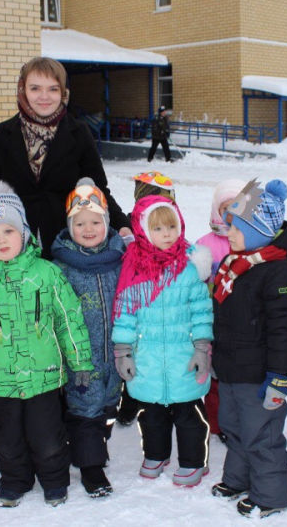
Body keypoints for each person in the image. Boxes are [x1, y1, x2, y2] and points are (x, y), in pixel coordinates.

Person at [0, 179, 93, 508]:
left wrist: (80, 361)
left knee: (47, 437)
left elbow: (69, 319)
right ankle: (15, 481)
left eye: (8, 231)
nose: (1, 240)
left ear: (24, 233)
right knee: (9, 439)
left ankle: (55, 481)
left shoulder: (47, 274)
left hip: (43, 377)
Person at [0, 56, 130, 258]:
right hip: (14, 246)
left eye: (53, 89)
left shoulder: (79, 132)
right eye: (35, 88)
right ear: (23, 90)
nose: (44, 96)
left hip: (66, 244)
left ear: (63, 92)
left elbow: (97, 188)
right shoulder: (4, 134)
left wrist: (123, 225)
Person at [209, 179, 287, 518]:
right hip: (232, 370)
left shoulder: (278, 274)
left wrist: (279, 376)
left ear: (261, 230)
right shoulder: (233, 266)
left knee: (262, 434)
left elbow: (282, 333)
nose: (228, 233)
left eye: (237, 227)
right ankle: (238, 478)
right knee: (234, 428)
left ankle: (272, 495)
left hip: (260, 374)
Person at [112, 194, 213, 487]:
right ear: (143, 231)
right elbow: (125, 315)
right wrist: (123, 352)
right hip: (149, 358)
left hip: (185, 356)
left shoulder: (190, 265)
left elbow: (201, 311)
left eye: (171, 226)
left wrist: (202, 348)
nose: (166, 234)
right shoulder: (134, 269)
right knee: (151, 415)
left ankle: (194, 461)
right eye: (157, 228)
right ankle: (156, 455)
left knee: (189, 416)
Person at [51, 177, 125, 498]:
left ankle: (96, 446)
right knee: (85, 409)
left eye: (96, 221)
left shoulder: (120, 260)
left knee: (108, 406)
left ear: (107, 223)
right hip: (81, 357)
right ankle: (90, 469)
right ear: (70, 226)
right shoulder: (62, 266)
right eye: (80, 223)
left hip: (115, 353)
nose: (89, 228)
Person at [115, 169, 178, 427]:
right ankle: (130, 405)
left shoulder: (169, 225)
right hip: (139, 306)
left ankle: (162, 402)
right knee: (139, 359)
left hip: (164, 306)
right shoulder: (132, 229)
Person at [196, 178, 247, 442]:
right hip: (214, 317)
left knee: (237, 375)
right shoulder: (205, 243)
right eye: (225, 208)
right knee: (214, 375)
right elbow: (196, 280)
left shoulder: (250, 240)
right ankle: (215, 422)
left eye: (236, 207)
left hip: (242, 319)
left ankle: (238, 418)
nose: (231, 214)